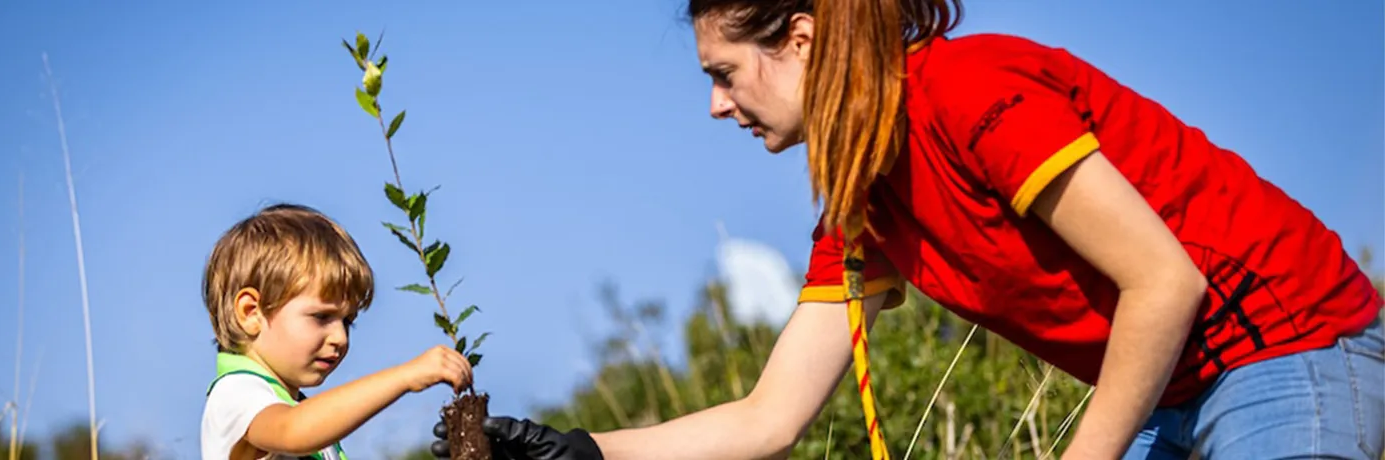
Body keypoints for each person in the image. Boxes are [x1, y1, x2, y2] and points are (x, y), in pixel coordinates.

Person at [429, 0, 1385, 458]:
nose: (716, 108)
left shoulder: (969, 92)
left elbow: (1164, 282)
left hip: (1285, 343)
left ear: (798, 40)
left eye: (724, 74)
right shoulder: (859, 202)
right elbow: (768, 419)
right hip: (1166, 386)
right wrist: (578, 453)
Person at [200, 203, 475, 460]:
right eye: (321, 317)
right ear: (252, 312)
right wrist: (405, 376)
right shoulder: (237, 391)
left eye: (348, 322)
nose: (341, 338)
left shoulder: (303, 416)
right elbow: (291, 430)